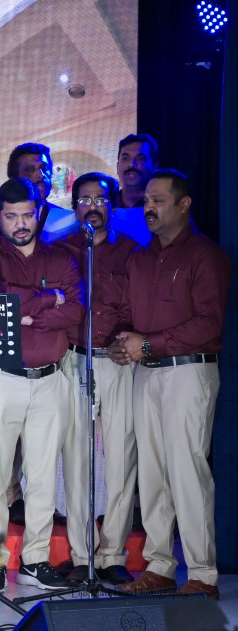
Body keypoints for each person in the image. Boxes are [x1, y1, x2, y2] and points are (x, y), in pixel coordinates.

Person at [111, 170, 230, 600]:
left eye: (158, 200)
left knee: (187, 470)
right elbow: (128, 314)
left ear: (184, 204)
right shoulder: (140, 258)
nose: (149, 207)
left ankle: (203, 574)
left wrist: (148, 343)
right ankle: (160, 566)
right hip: (146, 372)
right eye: (146, 200)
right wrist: (121, 342)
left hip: (188, 371)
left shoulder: (204, 255)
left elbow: (208, 323)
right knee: (153, 472)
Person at [0, 178, 83, 591]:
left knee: (42, 476)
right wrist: (49, 298)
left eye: (27, 215)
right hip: (2, 378)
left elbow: (76, 311)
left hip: (51, 379)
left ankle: (36, 560)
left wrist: (23, 312)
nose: (20, 224)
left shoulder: (62, 258)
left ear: (39, 213)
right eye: (11, 216)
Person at [52, 173, 138, 585]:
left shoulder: (132, 252)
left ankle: (113, 554)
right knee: (77, 460)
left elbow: (140, 306)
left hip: (119, 362)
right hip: (75, 359)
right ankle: (82, 555)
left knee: (121, 459)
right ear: (74, 208)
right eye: (84, 200)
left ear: (112, 206)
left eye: (100, 199)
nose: (92, 206)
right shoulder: (62, 251)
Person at [0, 143, 73, 243]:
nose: (40, 175)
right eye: (29, 170)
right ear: (14, 179)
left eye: (44, 168)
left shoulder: (66, 219)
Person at [109, 133, 159, 246]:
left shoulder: (166, 209)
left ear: (155, 167)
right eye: (125, 158)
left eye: (140, 158)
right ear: (117, 166)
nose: (131, 164)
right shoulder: (106, 206)